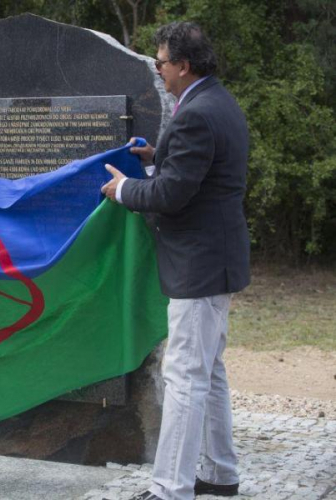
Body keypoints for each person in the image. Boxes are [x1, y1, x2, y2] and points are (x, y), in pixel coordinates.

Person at [101, 22, 249, 500]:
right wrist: (154, 155)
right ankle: (221, 474)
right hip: (214, 258)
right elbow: (193, 170)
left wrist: (123, 188)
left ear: (183, 66)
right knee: (209, 371)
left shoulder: (195, 114)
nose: (158, 70)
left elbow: (172, 194)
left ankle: (170, 489)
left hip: (198, 264)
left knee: (184, 376)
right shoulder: (217, 101)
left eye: (161, 62)